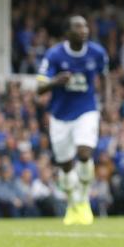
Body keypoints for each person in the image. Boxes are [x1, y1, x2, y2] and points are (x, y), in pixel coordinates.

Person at [37, 15, 110, 225]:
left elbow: (105, 77)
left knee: (84, 153)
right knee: (66, 166)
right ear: (67, 32)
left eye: (86, 26)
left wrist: (106, 103)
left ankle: (84, 199)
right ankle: (73, 204)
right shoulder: (54, 55)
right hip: (60, 115)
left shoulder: (97, 52)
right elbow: (39, 87)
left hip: (86, 109)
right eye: (78, 27)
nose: (84, 30)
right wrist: (56, 81)